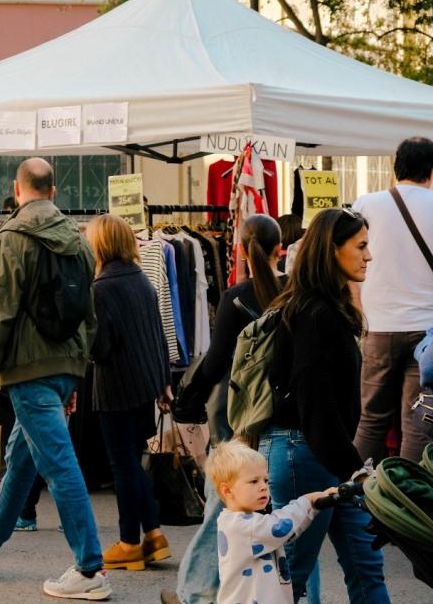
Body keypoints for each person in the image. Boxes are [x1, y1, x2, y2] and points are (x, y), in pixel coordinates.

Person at [0, 158, 110, 601]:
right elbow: (88, 315)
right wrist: (75, 372)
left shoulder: (10, 238)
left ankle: (90, 567)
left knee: (59, 465)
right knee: (22, 460)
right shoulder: (79, 241)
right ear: (54, 191)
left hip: (28, 369)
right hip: (63, 366)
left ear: (17, 189)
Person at [164, 214, 321, 604]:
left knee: (223, 502)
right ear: (279, 249)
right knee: (298, 518)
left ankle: (196, 593)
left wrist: (188, 402)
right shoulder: (298, 292)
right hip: (290, 419)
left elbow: (216, 363)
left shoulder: (236, 298)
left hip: (243, 419)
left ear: (241, 250)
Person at [260, 207, 388, 603]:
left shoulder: (326, 309)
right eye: (361, 246)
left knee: (366, 565)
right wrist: (356, 470)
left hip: (325, 454)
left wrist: (352, 469)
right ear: (333, 249)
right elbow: (317, 407)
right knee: (291, 578)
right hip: (305, 454)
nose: (368, 256)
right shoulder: (314, 314)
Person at [85, 215, 172, 571]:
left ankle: (129, 543)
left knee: (123, 466)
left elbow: (101, 348)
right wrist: (164, 381)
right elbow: (158, 335)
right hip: (145, 385)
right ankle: (153, 535)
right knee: (133, 462)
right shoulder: (141, 279)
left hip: (116, 387)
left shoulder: (101, 288)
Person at [353, 137, 433, 463]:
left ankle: (357, 487)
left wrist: (357, 310)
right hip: (427, 334)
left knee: (371, 419)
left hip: (378, 326)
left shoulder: (365, 204)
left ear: (395, 166)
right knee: (418, 422)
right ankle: (406, 490)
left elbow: (346, 264)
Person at [206, 440, 334, 604]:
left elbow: (286, 535)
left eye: (265, 480)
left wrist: (313, 508)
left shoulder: (247, 521)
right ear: (227, 490)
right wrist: (307, 501)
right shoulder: (241, 525)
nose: (263, 487)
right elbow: (279, 528)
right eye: (254, 481)